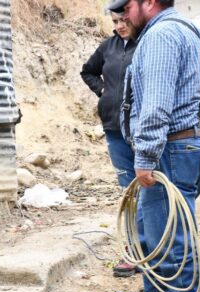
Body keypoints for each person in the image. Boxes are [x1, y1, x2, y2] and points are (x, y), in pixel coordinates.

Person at [108, 0, 200, 292]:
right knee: (151, 233)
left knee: (173, 242)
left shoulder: (161, 36)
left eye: (127, 7)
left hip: (171, 150)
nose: (122, 15)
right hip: (191, 144)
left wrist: (145, 156)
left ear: (150, 3)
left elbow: (156, 104)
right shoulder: (191, 32)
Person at [80, 11, 140, 278]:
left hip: (141, 129)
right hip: (114, 128)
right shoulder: (109, 46)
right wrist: (103, 91)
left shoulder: (149, 41)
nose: (119, 27)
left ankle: (154, 247)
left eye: (123, 21)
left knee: (149, 189)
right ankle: (133, 250)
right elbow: (88, 71)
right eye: (115, 22)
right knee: (128, 191)